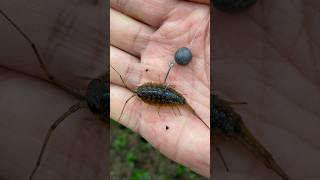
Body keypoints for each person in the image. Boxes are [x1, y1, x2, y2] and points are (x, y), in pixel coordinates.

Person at [110, 0, 210, 177]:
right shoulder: (149, 91)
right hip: (170, 95)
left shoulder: (149, 94)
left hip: (171, 96)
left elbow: (155, 94)